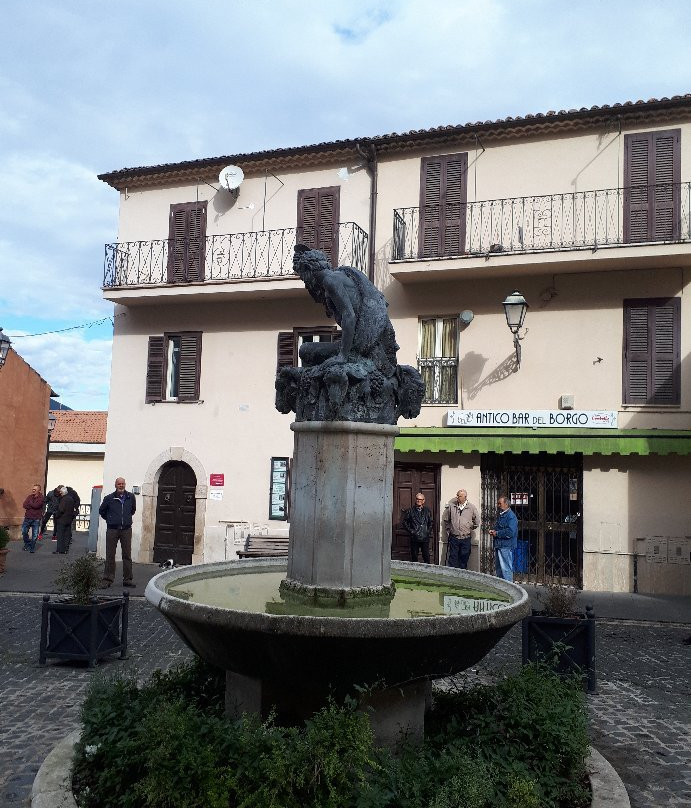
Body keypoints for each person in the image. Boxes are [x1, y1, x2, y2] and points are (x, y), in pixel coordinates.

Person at [99, 477, 137, 588]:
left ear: (125, 484)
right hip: (112, 529)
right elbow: (102, 511)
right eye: (119, 484)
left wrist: (125, 519)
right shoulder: (109, 498)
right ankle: (107, 579)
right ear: (115, 485)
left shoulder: (131, 497)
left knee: (127, 555)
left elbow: (132, 510)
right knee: (110, 555)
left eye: (123, 484)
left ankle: (128, 579)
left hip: (126, 529)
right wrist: (111, 519)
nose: (121, 485)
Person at [442, 489, 479, 569]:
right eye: (457, 495)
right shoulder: (452, 507)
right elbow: (446, 520)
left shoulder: (471, 507)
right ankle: (453, 578)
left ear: (465, 497)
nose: (457, 497)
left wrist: (469, 526)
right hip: (454, 538)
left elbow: (477, 522)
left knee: (464, 560)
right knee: (452, 560)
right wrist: (449, 530)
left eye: (459, 496)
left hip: (466, 538)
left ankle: (462, 577)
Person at [489, 495, 519, 581]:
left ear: (506, 504)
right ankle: (502, 588)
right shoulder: (503, 515)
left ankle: (509, 589)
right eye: (498, 503)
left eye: (500, 503)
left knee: (505, 568)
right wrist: (493, 531)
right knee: (499, 569)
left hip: (506, 546)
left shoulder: (511, 516)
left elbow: (510, 532)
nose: (498, 505)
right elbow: (500, 527)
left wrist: (497, 533)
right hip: (500, 545)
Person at [403, 492, 434, 564]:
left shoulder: (427, 510)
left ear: (423, 501)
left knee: (426, 556)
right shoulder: (410, 510)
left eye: (420, 499)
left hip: (425, 537)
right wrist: (412, 531)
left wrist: (427, 531)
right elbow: (405, 522)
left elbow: (431, 522)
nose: (418, 501)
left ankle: (427, 571)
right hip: (415, 537)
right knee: (414, 557)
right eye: (417, 499)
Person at [21, 484, 45, 553]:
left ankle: (32, 547)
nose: (33, 490)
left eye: (35, 489)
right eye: (33, 489)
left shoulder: (41, 498)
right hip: (27, 517)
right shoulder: (29, 496)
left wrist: (30, 504)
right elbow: (24, 505)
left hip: (36, 519)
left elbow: (36, 506)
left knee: (34, 535)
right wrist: (32, 505)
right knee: (24, 532)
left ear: (39, 490)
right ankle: (27, 543)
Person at [53, 486, 75, 555]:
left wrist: (57, 516)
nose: (60, 493)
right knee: (67, 535)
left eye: (60, 492)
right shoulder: (71, 499)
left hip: (62, 519)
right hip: (69, 519)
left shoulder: (64, 499)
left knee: (60, 535)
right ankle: (66, 549)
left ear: (62, 492)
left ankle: (60, 550)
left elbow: (61, 510)